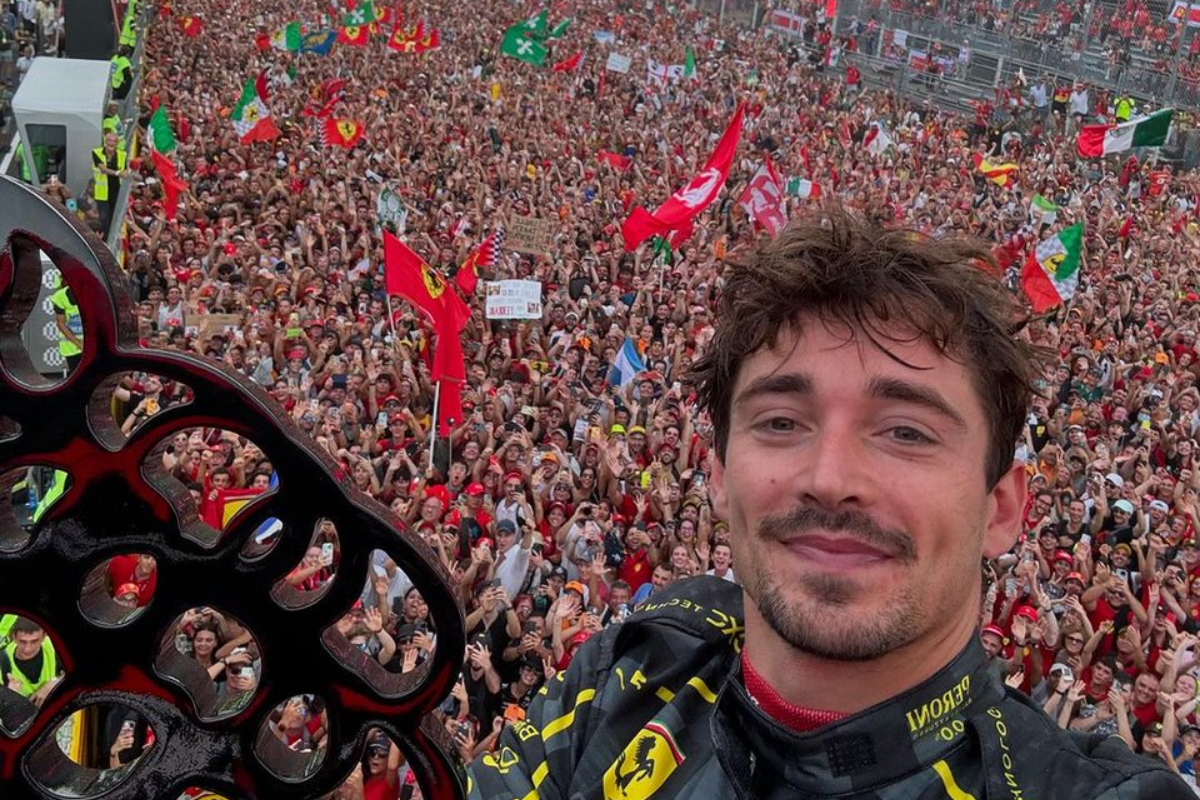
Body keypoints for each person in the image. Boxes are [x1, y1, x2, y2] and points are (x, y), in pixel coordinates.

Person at [467, 209, 1190, 798]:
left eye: (906, 432)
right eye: (782, 422)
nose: (829, 476)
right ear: (718, 475)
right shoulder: (631, 677)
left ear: (1002, 509)